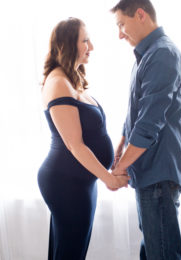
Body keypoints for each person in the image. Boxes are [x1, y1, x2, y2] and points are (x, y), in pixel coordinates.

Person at [37, 17, 129, 260]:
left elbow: (92, 136)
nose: (91, 46)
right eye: (85, 40)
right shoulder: (58, 83)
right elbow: (74, 145)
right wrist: (108, 178)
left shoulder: (70, 80)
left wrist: (112, 165)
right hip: (66, 183)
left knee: (68, 251)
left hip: (80, 183)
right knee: (70, 253)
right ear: (68, 45)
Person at [110, 0, 181, 260]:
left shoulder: (162, 54)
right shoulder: (147, 56)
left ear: (140, 14)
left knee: (162, 254)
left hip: (158, 173)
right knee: (153, 251)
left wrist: (118, 169)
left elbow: (148, 124)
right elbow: (137, 111)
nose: (120, 34)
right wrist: (121, 143)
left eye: (121, 24)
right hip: (149, 172)